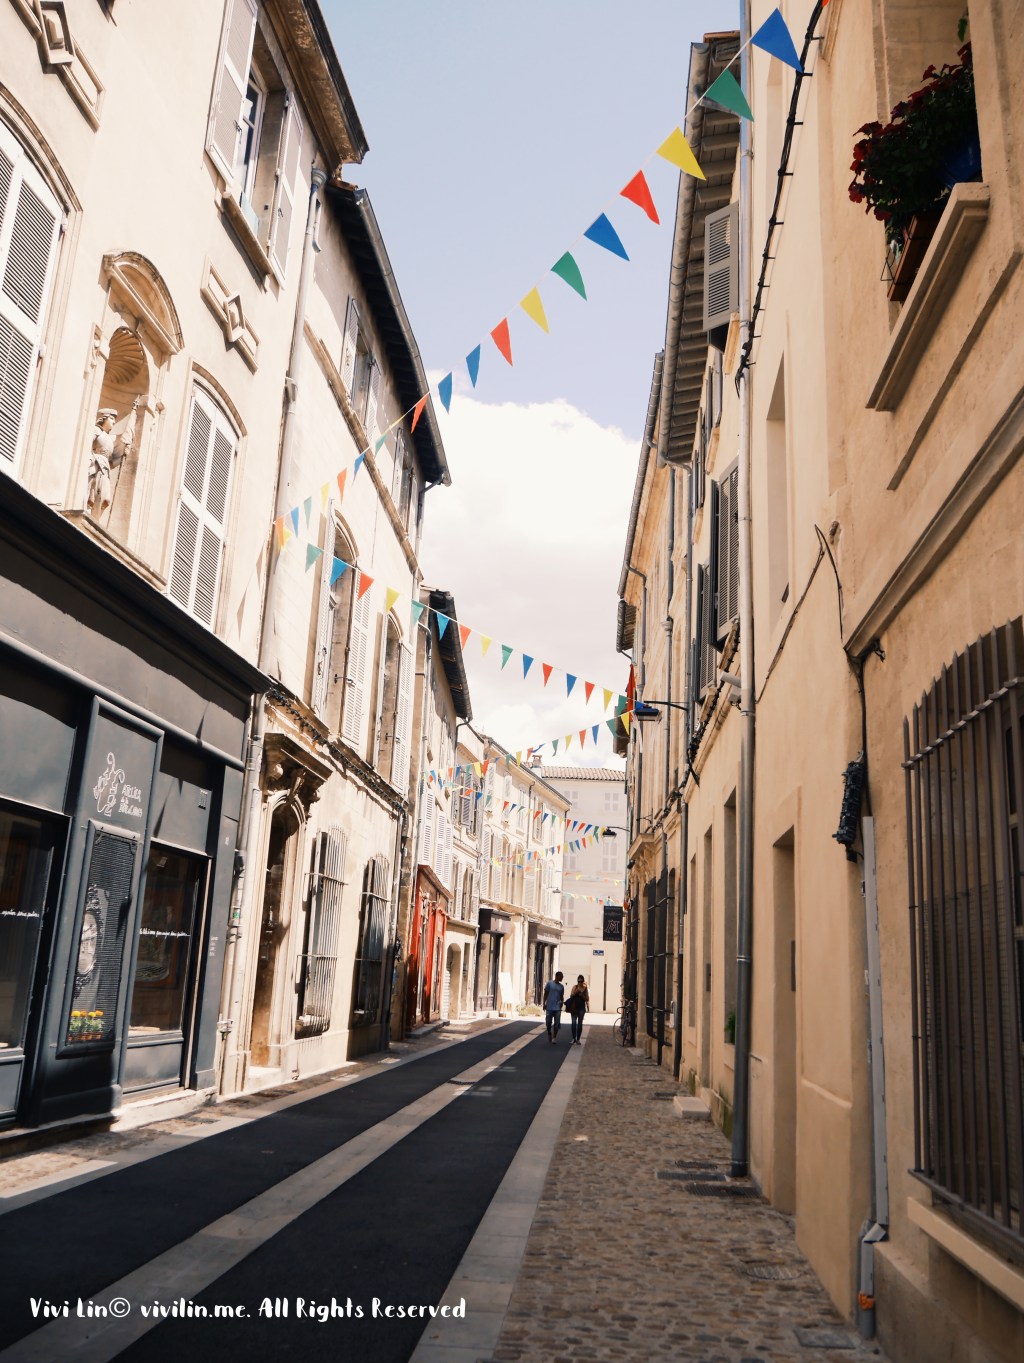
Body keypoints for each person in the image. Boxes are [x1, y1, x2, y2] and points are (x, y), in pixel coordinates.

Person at [542, 970, 565, 1043]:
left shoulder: (561, 986)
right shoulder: (549, 984)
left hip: (557, 1007)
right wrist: (544, 1003)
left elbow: (562, 996)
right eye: (561, 976)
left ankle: (554, 1037)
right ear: (557, 976)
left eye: (562, 977)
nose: (562, 978)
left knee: (557, 1023)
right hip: (549, 1006)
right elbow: (545, 994)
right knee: (548, 1022)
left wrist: (561, 1002)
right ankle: (549, 1032)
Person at [567, 975, 590, 1044]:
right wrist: (575, 993)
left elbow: (587, 999)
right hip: (574, 1007)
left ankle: (578, 1039)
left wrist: (581, 995)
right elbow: (571, 996)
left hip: (581, 1008)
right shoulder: (575, 987)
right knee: (573, 1023)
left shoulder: (585, 988)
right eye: (578, 981)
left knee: (580, 1024)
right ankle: (573, 1038)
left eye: (581, 981)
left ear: (583, 981)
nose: (580, 983)